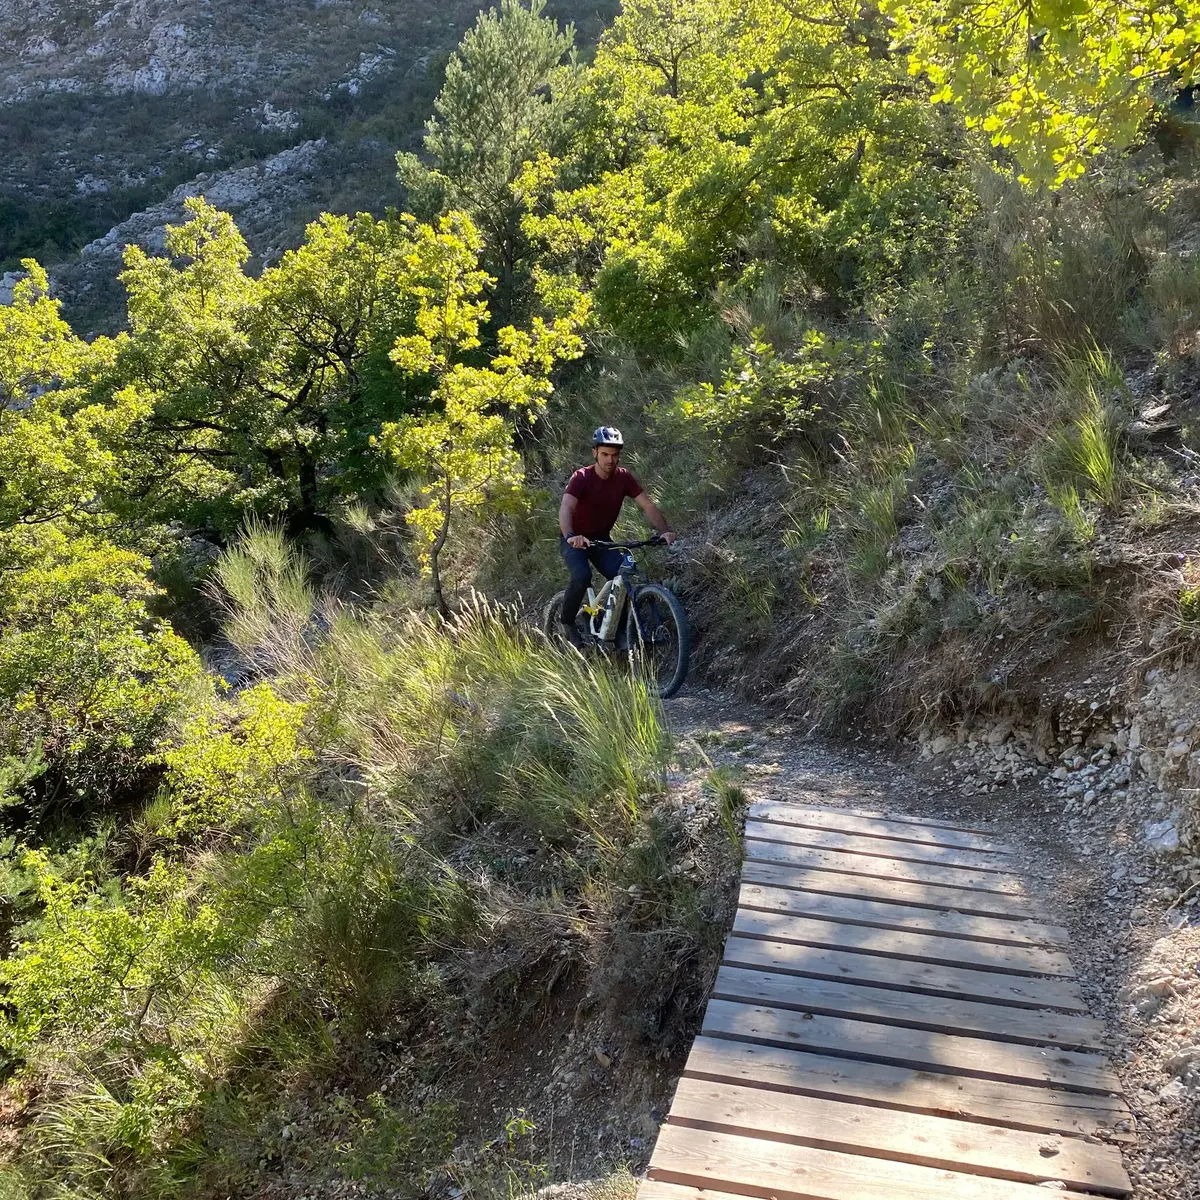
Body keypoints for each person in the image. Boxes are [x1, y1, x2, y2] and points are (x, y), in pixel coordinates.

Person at [557, 426, 676, 646]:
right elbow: (566, 507)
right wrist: (571, 535)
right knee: (582, 576)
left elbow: (647, 505)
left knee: (623, 578)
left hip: (601, 539)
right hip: (574, 539)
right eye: (605, 454)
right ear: (595, 453)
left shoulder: (623, 478)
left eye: (614, 455)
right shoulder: (582, 477)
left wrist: (664, 531)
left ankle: (615, 628)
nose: (610, 460)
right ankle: (567, 622)